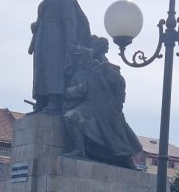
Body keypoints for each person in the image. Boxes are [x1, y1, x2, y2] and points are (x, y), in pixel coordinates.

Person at [61, 35, 143, 168]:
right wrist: (80, 89)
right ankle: (79, 150)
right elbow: (70, 93)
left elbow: (119, 84)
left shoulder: (106, 70)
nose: (78, 59)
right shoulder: (80, 73)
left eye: (80, 56)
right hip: (88, 105)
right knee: (70, 117)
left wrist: (118, 102)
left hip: (106, 107)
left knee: (117, 135)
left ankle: (125, 158)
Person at [28, 0, 91, 114]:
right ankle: (41, 101)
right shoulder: (45, 1)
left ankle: (54, 100)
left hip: (56, 39)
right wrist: (35, 26)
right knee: (40, 70)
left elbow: (70, 21)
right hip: (42, 38)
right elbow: (41, 20)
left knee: (53, 69)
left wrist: (71, 42)